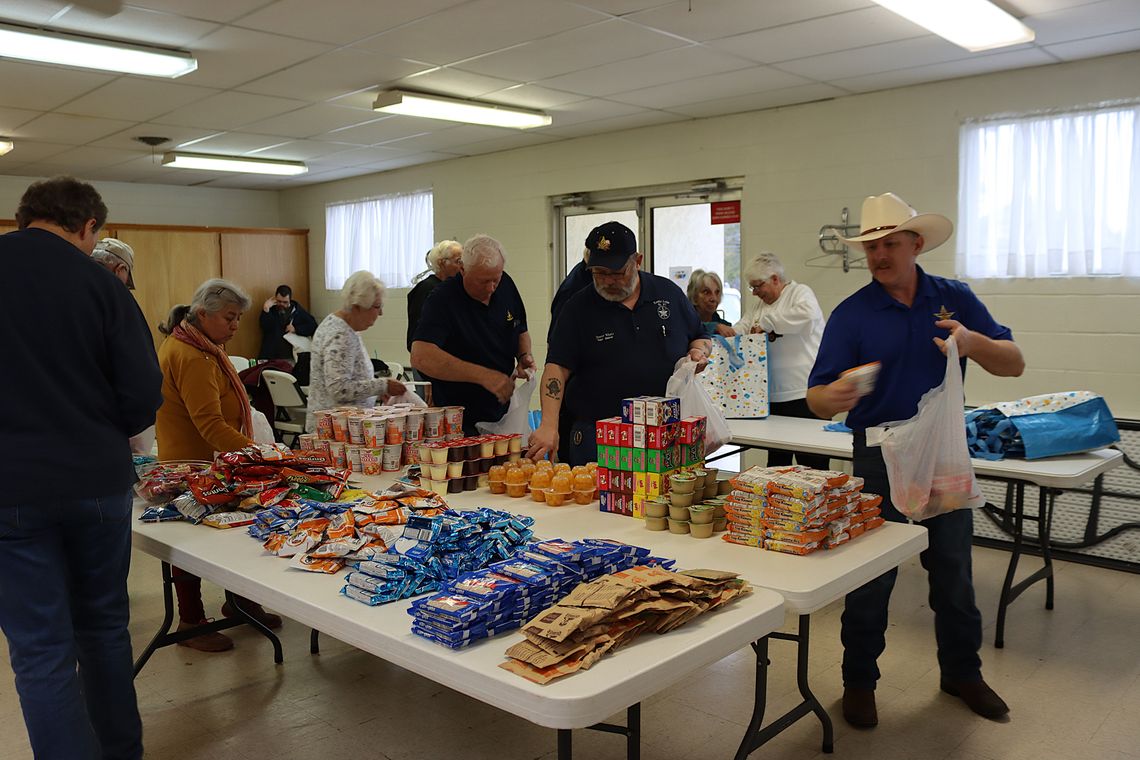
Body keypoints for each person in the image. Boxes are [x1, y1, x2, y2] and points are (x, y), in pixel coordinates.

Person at [806, 192, 1024, 728]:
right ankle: (859, 681)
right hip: (878, 457)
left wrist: (971, 342)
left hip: (943, 456)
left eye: (890, 244)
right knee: (871, 578)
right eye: (871, 247)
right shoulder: (853, 313)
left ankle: (963, 674)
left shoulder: (954, 299)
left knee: (954, 573)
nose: (879, 255)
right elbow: (816, 398)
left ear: (916, 244)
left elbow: (1014, 363)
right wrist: (832, 397)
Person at [0, 176, 163, 759]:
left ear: (25, 217)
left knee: (40, 650)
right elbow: (142, 394)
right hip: (95, 479)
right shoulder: (102, 286)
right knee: (103, 628)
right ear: (88, 226)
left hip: (9, 488)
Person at [156, 278, 283, 651]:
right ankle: (191, 622)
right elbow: (210, 425)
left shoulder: (200, 345)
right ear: (202, 314)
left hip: (204, 460)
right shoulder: (192, 356)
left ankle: (240, 602)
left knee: (235, 530)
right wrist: (259, 454)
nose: (235, 325)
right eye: (229, 317)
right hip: (192, 465)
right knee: (188, 545)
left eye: (239, 318)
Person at [527, 221, 711, 465]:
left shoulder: (668, 294)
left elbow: (700, 335)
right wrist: (549, 425)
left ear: (638, 261)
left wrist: (698, 351)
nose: (608, 281)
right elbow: (557, 368)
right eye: (599, 273)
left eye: (617, 273)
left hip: (663, 432)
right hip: (599, 436)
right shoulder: (577, 308)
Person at [411, 235, 535, 435]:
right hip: (459, 418)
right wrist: (483, 376)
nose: (491, 288)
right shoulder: (442, 299)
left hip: (503, 410)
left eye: (495, 279)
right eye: (483, 281)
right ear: (462, 270)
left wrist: (524, 356)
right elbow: (421, 356)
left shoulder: (506, 284)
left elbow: (520, 328)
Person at [735, 251, 829, 469]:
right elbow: (742, 328)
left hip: (806, 394)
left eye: (758, 286)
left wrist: (767, 324)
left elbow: (807, 316)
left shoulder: (799, 293)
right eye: (752, 287)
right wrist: (723, 332)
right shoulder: (758, 306)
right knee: (777, 464)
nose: (755, 293)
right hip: (773, 397)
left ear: (775, 279)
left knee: (812, 464)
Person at [306, 270, 407, 432]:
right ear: (358, 307)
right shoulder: (340, 335)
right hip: (335, 431)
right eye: (377, 307)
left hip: (340, 427)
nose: (381, 313)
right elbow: (339, 388)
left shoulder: (344, 327)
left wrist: (374, 391)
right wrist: (382, 385)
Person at [406, 239, 463, 352]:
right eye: (458, 261)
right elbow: (418, 330)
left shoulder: (453, 288)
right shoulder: (427, 288)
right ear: (442, 263)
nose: (462, 266)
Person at [258, 284, 317, 361]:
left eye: (285, 302)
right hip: (271, 355)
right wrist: (266, 309)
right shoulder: (271, 309)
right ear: (275, 299)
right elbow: (265, 326)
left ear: (290, 300)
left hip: (290, 356)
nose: (282, 304)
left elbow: (313, 326)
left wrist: (296, 329)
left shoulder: (297, 310)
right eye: (279, 301)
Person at [687, 269, 735, 337]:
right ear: (694, 296)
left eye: (717, 292)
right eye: (706, 292)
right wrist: (713, 327)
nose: (714, 298)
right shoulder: (683, 324)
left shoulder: (725, 326)